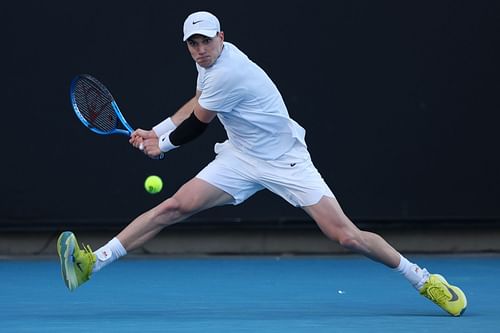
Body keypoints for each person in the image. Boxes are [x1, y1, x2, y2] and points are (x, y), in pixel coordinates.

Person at [57, 11, 467, 316]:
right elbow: (198, 102)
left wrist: (162, 145)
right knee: (174, 206)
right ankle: (92, 263)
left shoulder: (228, 72)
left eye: (206, 41)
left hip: (285, 160)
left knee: (345, 236)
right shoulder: (210, 64)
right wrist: (158, 129)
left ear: (221, 37)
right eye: (192, 44)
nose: (200, 50)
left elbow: (198, 127)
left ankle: (424, 279)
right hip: (240, 156)